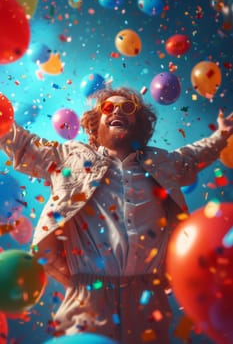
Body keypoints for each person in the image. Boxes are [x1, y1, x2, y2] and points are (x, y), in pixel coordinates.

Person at [0, 87, 232, 344]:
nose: (118, 110)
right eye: (108, 108)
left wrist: (221, 136)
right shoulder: (70, 158)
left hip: (147, 300)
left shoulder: (163, 162)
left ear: (139, 123)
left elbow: (192, 156)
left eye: (128, 108)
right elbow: (23, 145)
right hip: (86, 298)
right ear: (95, 122)